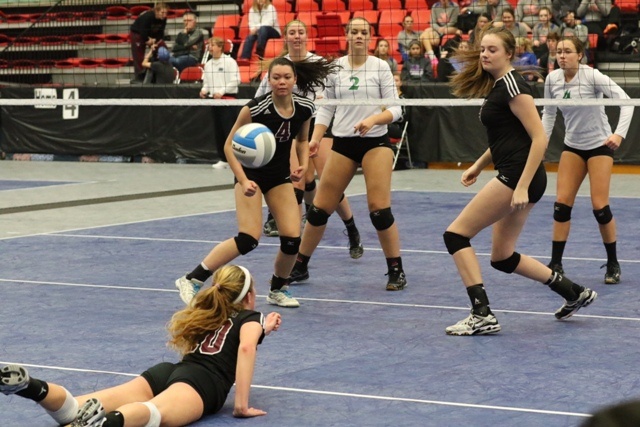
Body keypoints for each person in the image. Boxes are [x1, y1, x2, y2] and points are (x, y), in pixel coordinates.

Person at [442, 26, 597, 336]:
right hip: (519, 174)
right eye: (483, 49)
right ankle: (572, 291)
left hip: (518, 176)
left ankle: (481, 313)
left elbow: (539, 138)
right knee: (502, 257)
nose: (485, 54)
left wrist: (522, 185)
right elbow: (504, 138)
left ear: (509, 53)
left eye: (492, 50)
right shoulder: (500, 86)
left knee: (456, 236)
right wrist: (477, 165)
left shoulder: (514, 86)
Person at [0, 265, 282, 427]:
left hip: (168, 373)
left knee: (74, 408)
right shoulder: (250, 317)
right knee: (154, 414)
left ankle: (31, 387)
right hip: (200, 384)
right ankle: (104, 425)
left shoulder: (211, 312)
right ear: (249, 297)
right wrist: (241, 406)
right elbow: (245, 347)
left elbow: (230, 339)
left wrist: (262, 329)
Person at [176, 56, 336, 308]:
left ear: (294, 79)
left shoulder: (305, 107)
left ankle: (278, 289)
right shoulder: (255, 109)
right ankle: (192, 278)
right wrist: (242, 179)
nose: (281, 82)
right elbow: (229, 145)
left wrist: (303, 165)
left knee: (292, 239)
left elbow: (302, 140)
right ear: (268, 80)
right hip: (250, 175)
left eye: (286, 77)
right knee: (249, 238)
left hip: (279, 176)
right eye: (276, 78)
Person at [289, 18, 407, 291]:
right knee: (319, 211)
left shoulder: (380, 67)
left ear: (370, 37)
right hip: (343, 142)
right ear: (346, 35)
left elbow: (396, 109)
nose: (358, 36)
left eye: (363, 32)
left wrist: (374, 120)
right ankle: (300, 266)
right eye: (353, 31)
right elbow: (327, 108)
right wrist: (316, 139)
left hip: (375, 143)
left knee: (379, 210)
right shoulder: (335, 68)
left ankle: (396, 269)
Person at [256, 20, 364, 259]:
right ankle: (293, 244)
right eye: (292, 32)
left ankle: (352, 229)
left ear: (307, 36)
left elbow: (335, 95)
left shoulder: (319, 65)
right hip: (290, 128)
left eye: (300, 32)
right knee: (298, 180)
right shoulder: (278, 67)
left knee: (329, 184)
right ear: (285, 37)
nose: (296, 36)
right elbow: (259, 101)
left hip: (319, 124)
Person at [541, 36, 633, 284]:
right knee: (561, 206)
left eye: (567, 51)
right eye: (558, 51)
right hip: (573, 145)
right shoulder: (552, 79)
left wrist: (618, 134)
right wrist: (541, 143)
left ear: (579, 55)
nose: (562, 56)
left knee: (600, 208)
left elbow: (627, 102)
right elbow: (548, 113)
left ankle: (613, 263)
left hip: (599, 145)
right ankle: (556, 263)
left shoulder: (592, 76)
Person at [200, 37, 241, 170]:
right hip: (215, 101)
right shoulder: (208, 64)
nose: (210, 47)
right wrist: (204, 90)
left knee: (229, 130)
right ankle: (223, 159)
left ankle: (234, 159)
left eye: (213, 45)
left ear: (220, 47)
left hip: (228, 101)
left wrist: (222, 92)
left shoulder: (229, 62)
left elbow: (236, 80)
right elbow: (206, 82)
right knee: (218, 131)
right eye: (209, 45)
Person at [130, 2, 168, 83]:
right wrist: (148, 40)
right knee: (138, 56)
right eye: (162, 13)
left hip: (151, 35)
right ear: (156, 11)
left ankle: (161, 72)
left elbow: (161, 33)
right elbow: (143, 32)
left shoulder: (164, 19)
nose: (164, 15)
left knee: (162, 47)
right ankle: (139, 77)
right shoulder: (148, 17)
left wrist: (155, 41)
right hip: (137, 34)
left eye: (166, 13)